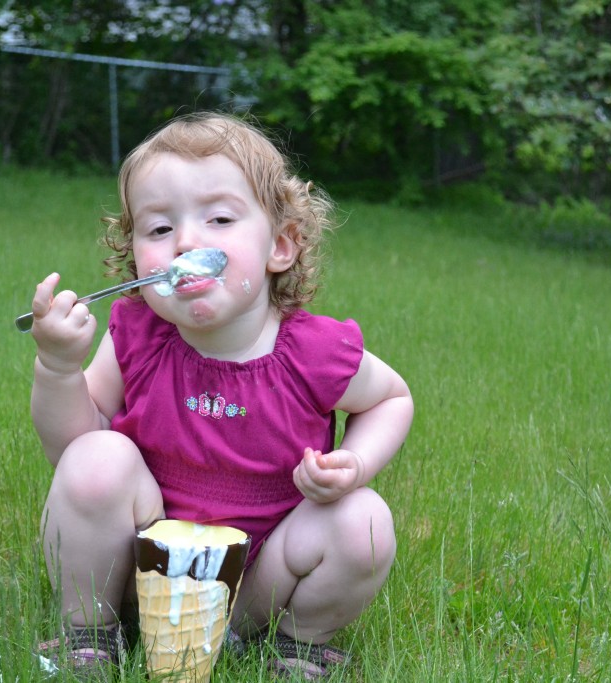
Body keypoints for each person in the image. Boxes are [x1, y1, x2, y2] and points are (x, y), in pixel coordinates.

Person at [27, 112, 414, 679]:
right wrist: (58, 367)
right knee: (97, 458)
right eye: (160, 229)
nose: (186, 241)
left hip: (262, 582)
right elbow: (71, 450)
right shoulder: (138, 335)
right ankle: (91, 631)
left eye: (219, 219)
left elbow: (391, 399)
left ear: (280, 246)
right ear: (135, 259)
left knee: (365, 520)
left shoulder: (314, 351)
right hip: (143, 570)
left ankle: (296, 643)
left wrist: (355, 464)